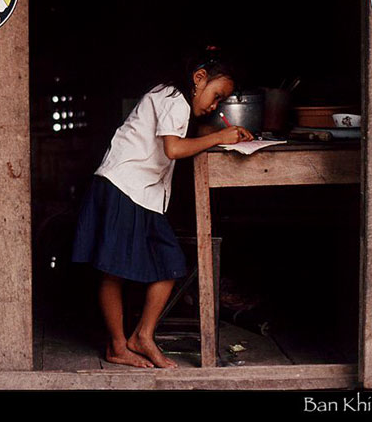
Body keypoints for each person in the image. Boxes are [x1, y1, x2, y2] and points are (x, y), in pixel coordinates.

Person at [70, 46, 254, 368]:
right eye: (215, 96)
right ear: (198, 78)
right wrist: (216, 137)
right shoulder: (172, 98)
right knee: (113, 271)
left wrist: (225, 134)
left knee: (169, 262)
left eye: (220, 102)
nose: (214, 105)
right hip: (122, 187)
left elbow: (184, 135)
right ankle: (117, 345)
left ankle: (141, 336)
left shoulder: (175, 100)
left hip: (140, 192)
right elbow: (173, 148)